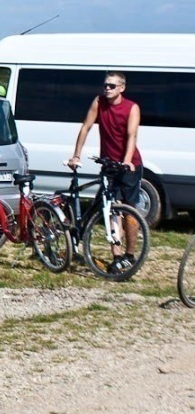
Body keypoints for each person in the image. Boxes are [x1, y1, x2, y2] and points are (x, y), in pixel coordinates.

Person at [68, 71, 143, 272]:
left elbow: (132, 136)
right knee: (111, 209)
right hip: (109, 165)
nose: (107, 89)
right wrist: (76, 155)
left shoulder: (131, 108)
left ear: (122, 88)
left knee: (130, 211)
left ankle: (130, 254)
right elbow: (85, 127)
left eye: (111, 85)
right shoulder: (99, 102)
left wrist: (127, 161)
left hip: (129, 164)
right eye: (105, 85)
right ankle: (116, 257)